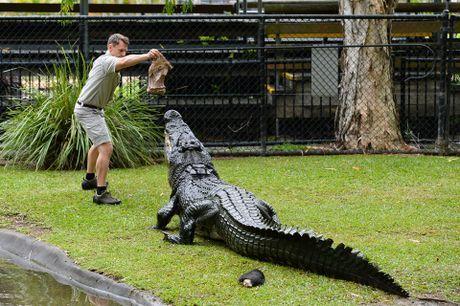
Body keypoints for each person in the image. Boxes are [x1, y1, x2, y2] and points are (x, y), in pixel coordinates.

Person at [74, 33, 161, 205]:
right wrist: (147, 56)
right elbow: (122, 62)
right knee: (106, 148)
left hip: (93, 109)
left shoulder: (110, 62)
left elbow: (124, 60)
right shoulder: (106, 61)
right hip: (88, 110)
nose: (123, 54)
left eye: (125, 51)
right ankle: (100, 193)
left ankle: (89, 179)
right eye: (120, 50)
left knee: (98, 144)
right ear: (110, 47)